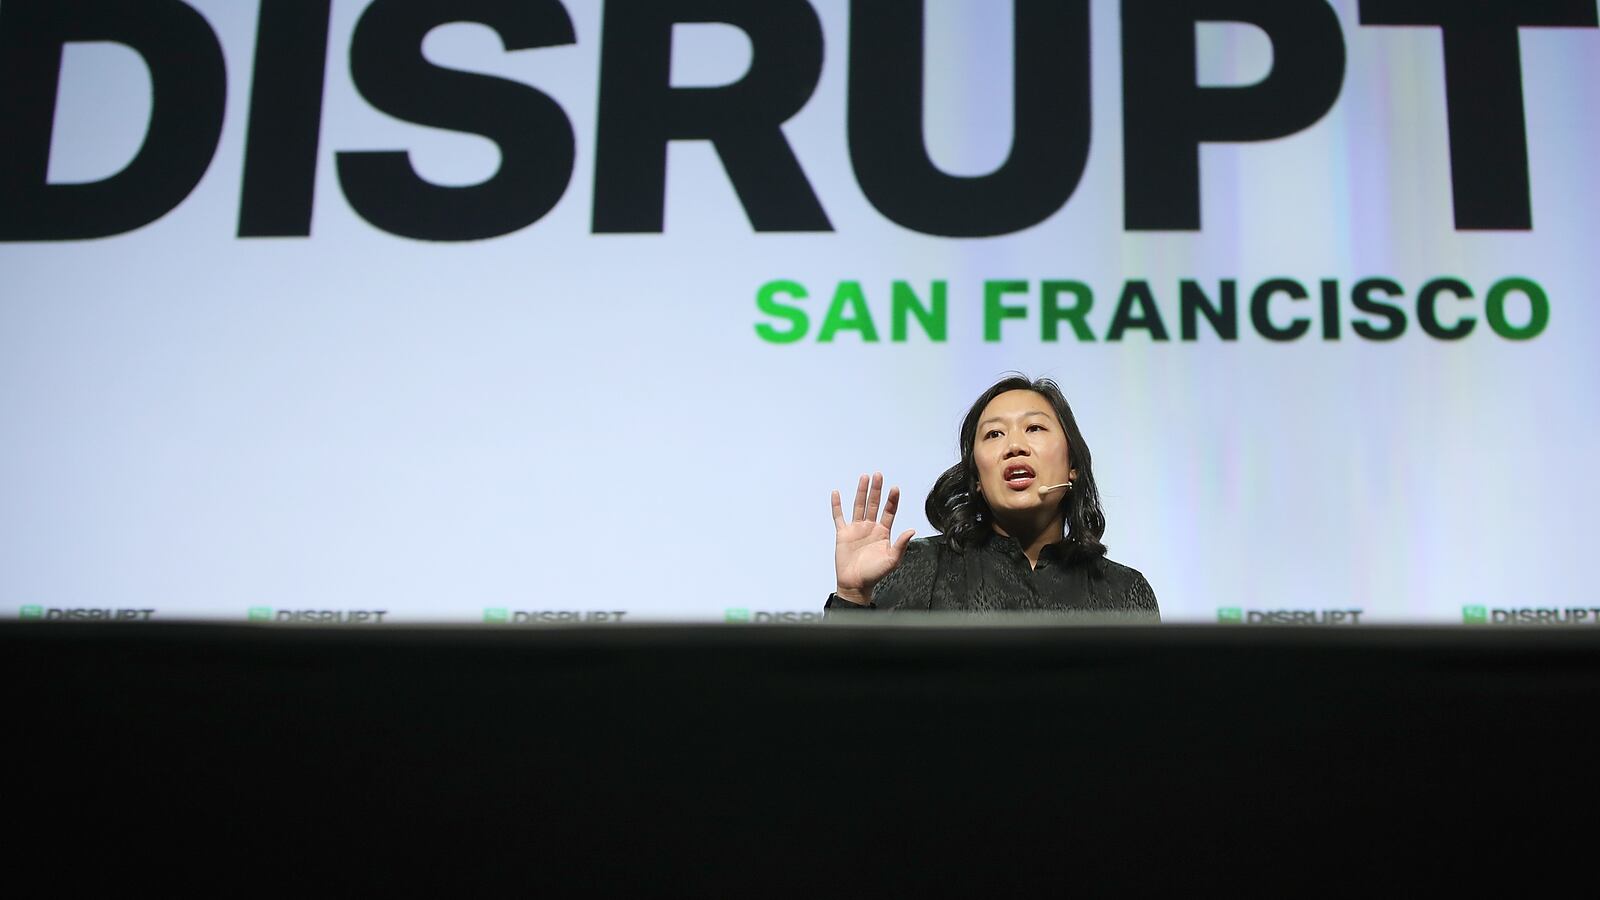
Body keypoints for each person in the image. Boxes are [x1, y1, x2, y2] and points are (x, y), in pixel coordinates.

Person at [827, 374, 1159, 619]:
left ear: (1072, 464)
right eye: (994, 434)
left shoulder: (1123, 590)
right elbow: (852, 697)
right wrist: (852, 595)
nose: (1014, 446)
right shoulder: (918, 567)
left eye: (1035, 428)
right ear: (977, 480)